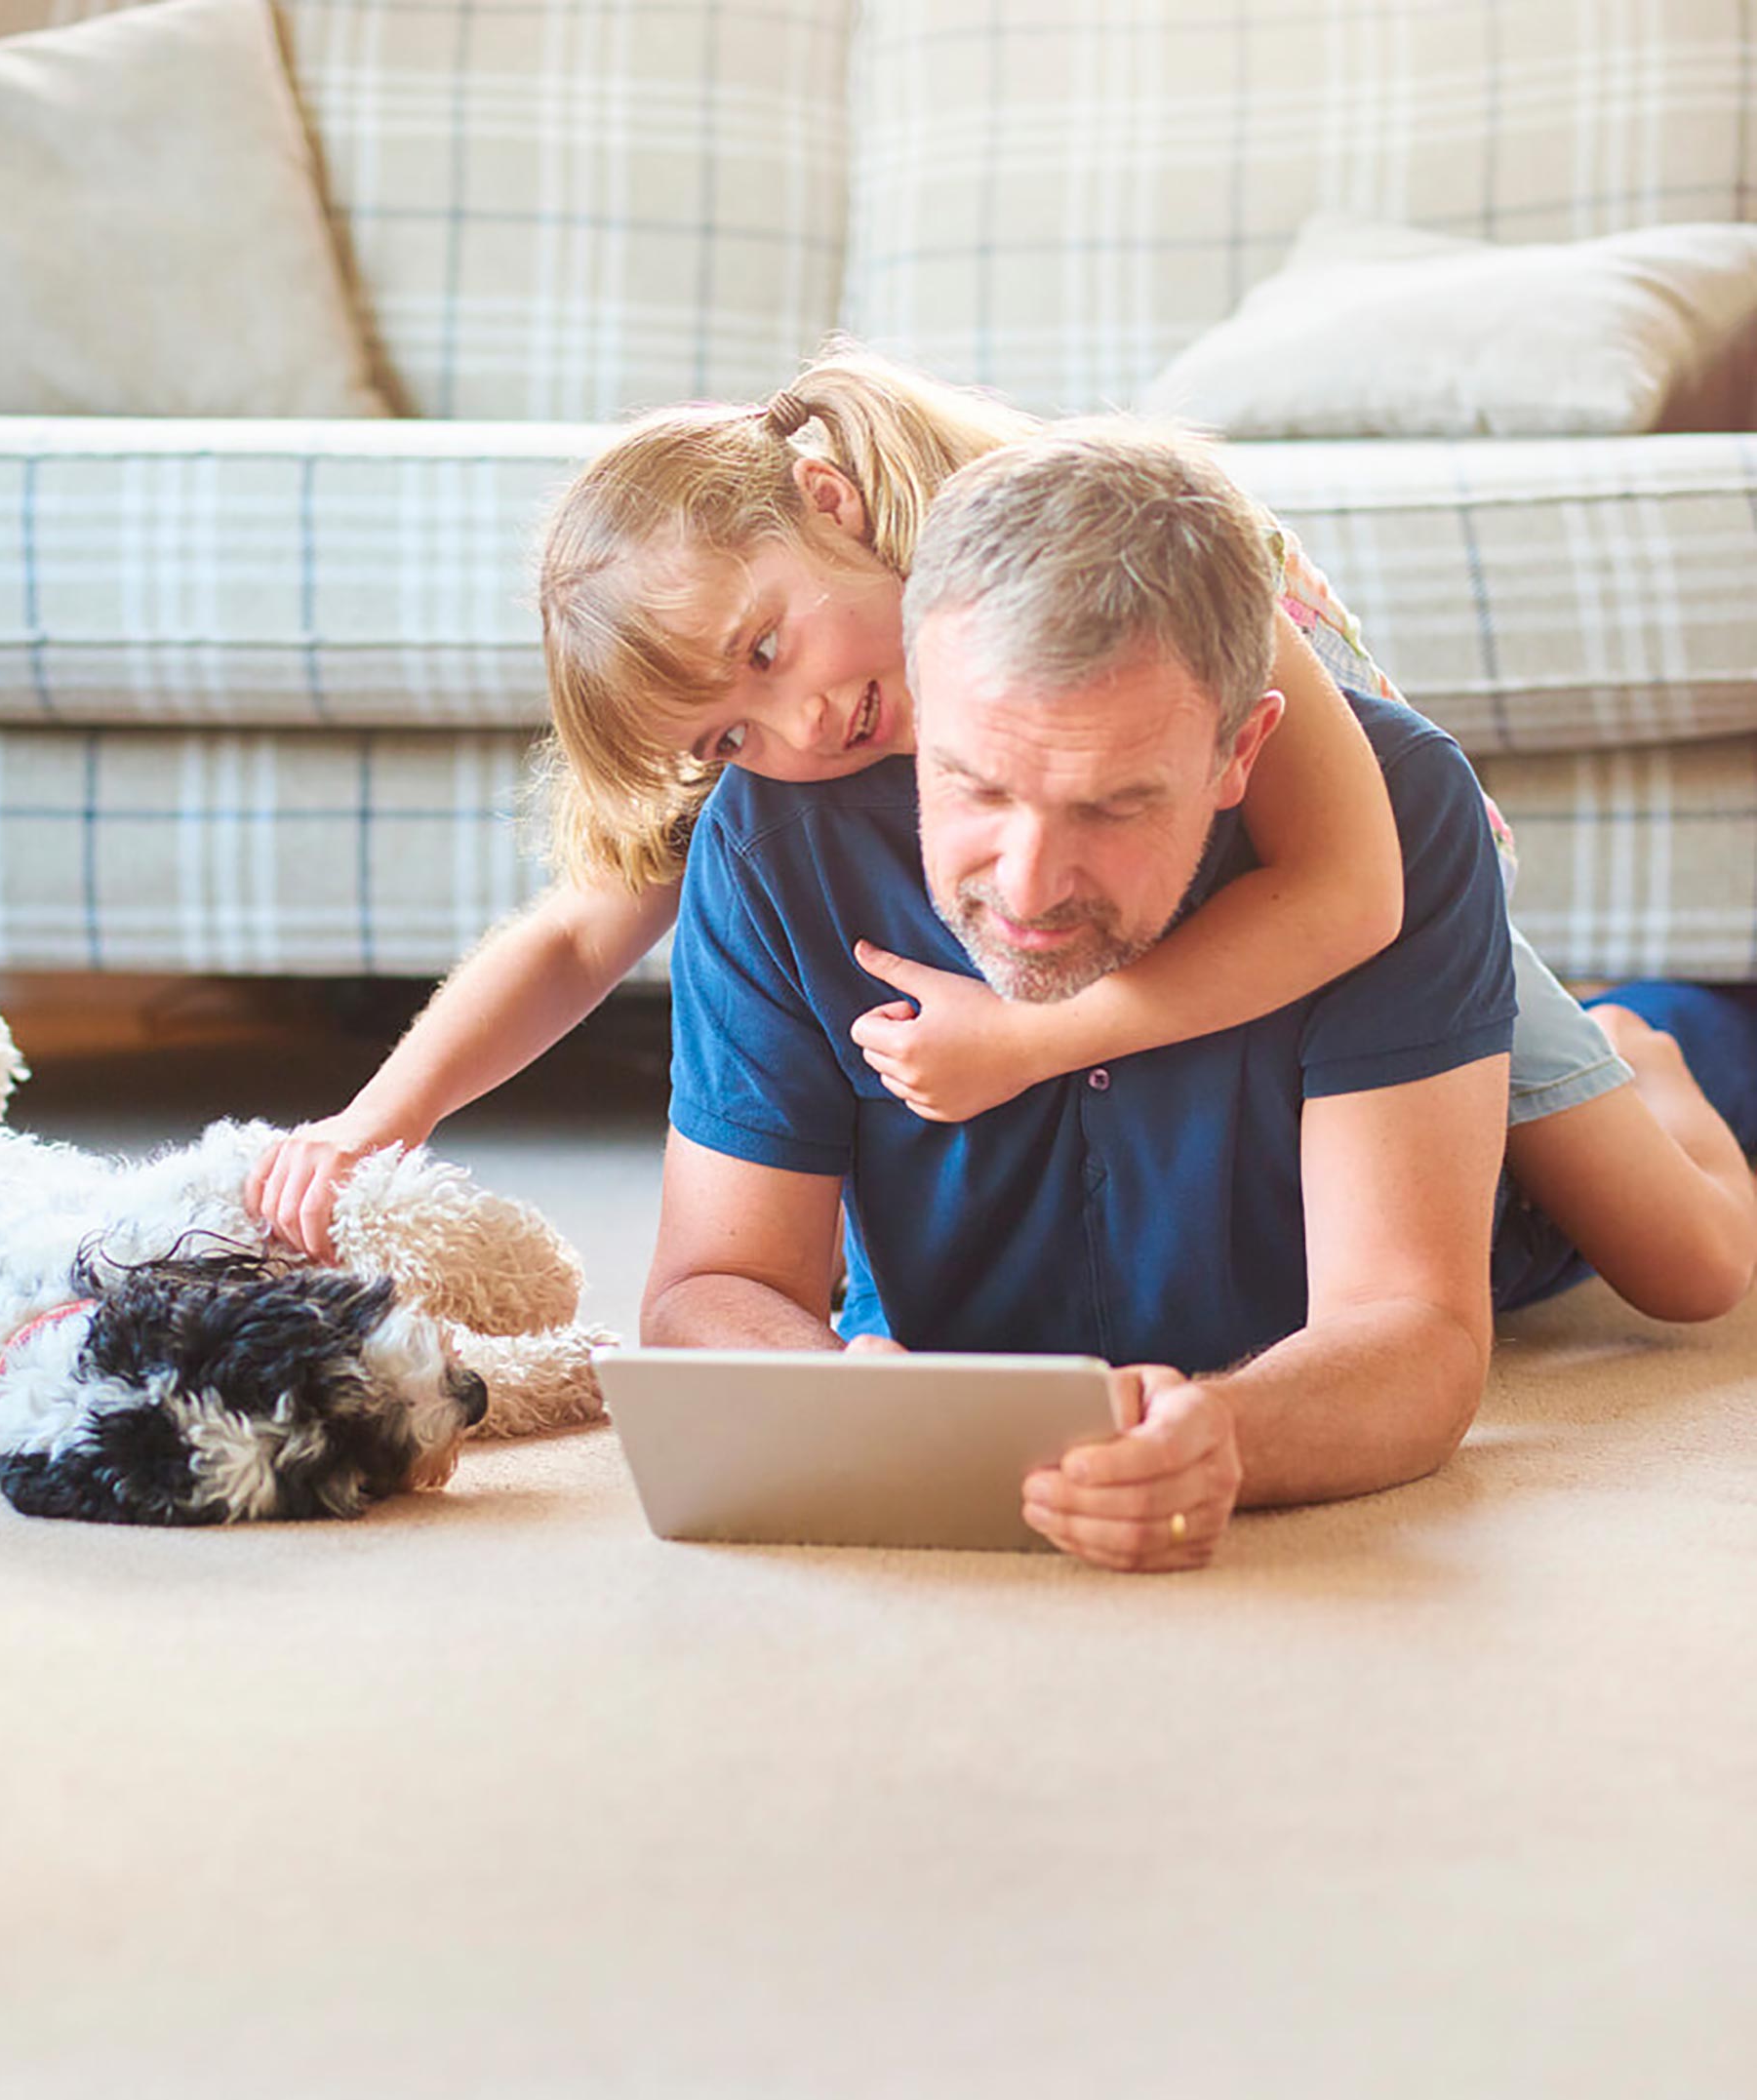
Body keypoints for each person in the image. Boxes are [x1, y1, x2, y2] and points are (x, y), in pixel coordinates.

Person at [247, 346, 1753, 1344]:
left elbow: (1349, 894)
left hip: (1385, 893)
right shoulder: (800, 752)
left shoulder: (1128, 569)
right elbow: (583, 930)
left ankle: (1654, 1054)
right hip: (1229, 906)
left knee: (1692, 1269)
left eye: (770, 644)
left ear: (831, 504)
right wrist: (376, 1121)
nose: (798, 724)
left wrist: (1027, 1048)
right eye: (729, 735)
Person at [641, 425, 1757, 1570]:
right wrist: (829, 1391)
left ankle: (1643, 1044)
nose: (1026, 888)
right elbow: (711, 1284)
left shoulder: (1399, 808)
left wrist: (1228, 1433)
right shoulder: (774, 832)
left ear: (1240, 752)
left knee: (1696, 1265)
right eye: (974, 787)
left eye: (1114, 806)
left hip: (1507, 1187)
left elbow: (1413, 1329)